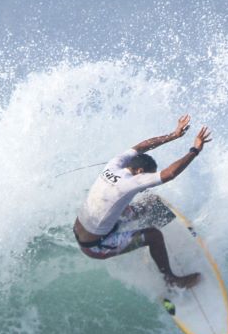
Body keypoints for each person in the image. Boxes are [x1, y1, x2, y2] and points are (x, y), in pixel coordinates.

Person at [73, 114, 212, 288]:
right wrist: (195, 150)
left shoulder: (114, 164)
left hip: (82, 229)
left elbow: (140, 147)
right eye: (148, 175)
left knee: (149, 202)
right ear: (139, 171)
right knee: (154, 235)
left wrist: (174, 135)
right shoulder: (132, 182)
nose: (147, 182)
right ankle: (171, 279)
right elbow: (170, 174)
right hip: (95, 246)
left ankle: (141, 240)